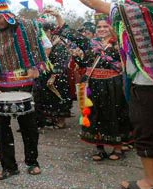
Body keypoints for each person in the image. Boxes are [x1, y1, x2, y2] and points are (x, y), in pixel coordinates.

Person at [80, 0, 153, 188]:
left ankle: (150, 183)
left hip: (149, 84)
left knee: (147, 134)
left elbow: (92, 2)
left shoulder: (135, 9)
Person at [46, 9, 132, 161]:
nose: (102, 29)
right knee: (95, 114)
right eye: (99, 27)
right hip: (94, 84)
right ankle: (99, 148)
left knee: (114, 114)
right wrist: (58, 16)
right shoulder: (90, 44)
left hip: (113, 84)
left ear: (111, 27)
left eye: (105, 26)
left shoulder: (121, 42)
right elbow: (70, 33)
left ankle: (117, 147)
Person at [0, 0, 47, 180]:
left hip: (24, 84)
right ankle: (9, 167)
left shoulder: (29, 28)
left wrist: (36, 66)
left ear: (7, 14)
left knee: (28, 126)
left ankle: (32, 162)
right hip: (0, 86)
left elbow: (46, 47)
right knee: (2, 129)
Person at [33, 22, 72, 129]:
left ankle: (60, 121)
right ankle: (49, 119)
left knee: (58, 97)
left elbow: (61, 61)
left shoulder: (59, 45)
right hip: (44, 74)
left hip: (58, 75)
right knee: (47, 98)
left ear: (49, 31)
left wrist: (54, 75)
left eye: (44, 31)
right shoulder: (42, 44)